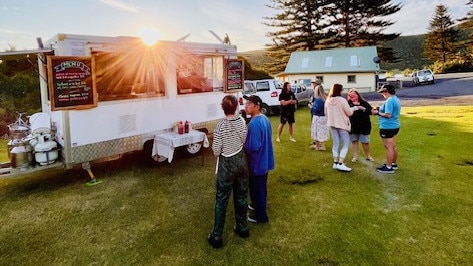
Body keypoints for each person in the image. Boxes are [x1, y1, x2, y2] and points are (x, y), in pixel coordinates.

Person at [208, 95, 249, 248]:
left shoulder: (220, 126)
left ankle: (217, 236)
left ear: (223, 108)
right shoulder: (242, 121)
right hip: (242, 161)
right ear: (236, 107)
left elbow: (216, 151)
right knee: (242, 196)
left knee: (221, 199)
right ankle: (242, 227)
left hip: (226, 164)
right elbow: (244, 139)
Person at [243, 95, 275, 223]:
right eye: (246, 104)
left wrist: (245, 147)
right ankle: (258, 205)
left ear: (257, 106)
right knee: (261, 187)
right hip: (265, 160)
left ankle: (261, 215)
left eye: (249, 104)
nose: (246, 106)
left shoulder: (255, 123)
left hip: (257, 162)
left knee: (257, 188)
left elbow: (254, 146)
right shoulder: (265, 119)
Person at [325, 83, 356, 172]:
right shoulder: (342, 100)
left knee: (336, 143)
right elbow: (349, 112)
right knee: (346, 142)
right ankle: (340, 163)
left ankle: (335, 162)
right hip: (342, 124)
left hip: (332, 124)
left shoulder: (328, 100)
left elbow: (326, 113)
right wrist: (355, 108)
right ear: (340, 90)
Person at [371, 84, 401, 174]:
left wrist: (377, 113)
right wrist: (379, 108)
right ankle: (393, 164)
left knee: (389, 148)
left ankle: (388, 167)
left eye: (382, 92)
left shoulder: (389, 101)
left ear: (386, 92)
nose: (382, 94)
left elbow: (388, 115)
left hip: (387, 127)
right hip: (395, 126)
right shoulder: (395, 99)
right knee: (393, 146)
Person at [347, 88, 374, 162]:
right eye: (350, 94)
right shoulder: (348, 103)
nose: (352, 95)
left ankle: (368, 155)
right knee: (354, 141)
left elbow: (371, 111)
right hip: (353, 126)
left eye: (354, 94)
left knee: (365, 142)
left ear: (358, 95)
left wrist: (364, 109)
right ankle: (355, 156)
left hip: (364, 126)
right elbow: (346, 112)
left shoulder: (364, 103)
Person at [309, 79, 329, 151]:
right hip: (324, 117)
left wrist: (311, 107)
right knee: (323, 130)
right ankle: (323, 145)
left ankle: (317, 146)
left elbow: (316, 109)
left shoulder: (318, 99)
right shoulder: (325, 98)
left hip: (318, 116)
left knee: (316, 130)